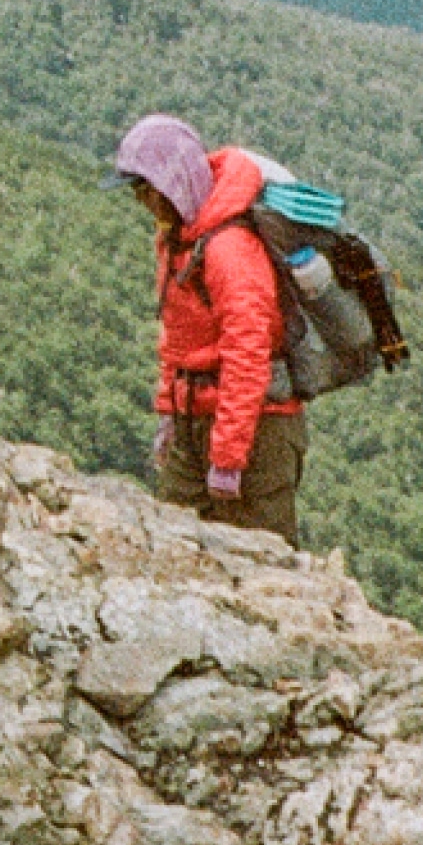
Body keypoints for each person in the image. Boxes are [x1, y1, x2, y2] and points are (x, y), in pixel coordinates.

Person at [113, 113, 306, 546]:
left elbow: (248, 350)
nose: (142, 201)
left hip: (259, 434)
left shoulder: (228, 248)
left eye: (146, 189)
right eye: (136, 191)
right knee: (174, 548)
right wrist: (168, 411)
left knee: (264, 569)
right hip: (192, 420)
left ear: (172, 182)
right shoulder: (176, 241)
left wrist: (229, 457)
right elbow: (177, 334)